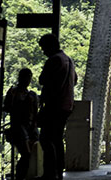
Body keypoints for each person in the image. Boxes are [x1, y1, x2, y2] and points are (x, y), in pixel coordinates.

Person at [37, 33, 78, 180]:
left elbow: (43, 80)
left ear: (50, 46)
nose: (43, 51)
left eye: (43, 48)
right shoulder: (69, 60)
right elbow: (76, 80)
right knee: (57, 139)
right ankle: (59, 171)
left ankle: (49, 172)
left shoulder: (54, 60)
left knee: (45, 139)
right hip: (66, 105)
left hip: (54, 105)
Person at [3, 68, 39, 180]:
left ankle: (20, 176)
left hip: (26, 128)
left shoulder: (29, 95)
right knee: (26, 155)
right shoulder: (18, 93)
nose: (27, 80)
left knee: (26, 155)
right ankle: (20, 177)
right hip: (19, 128)